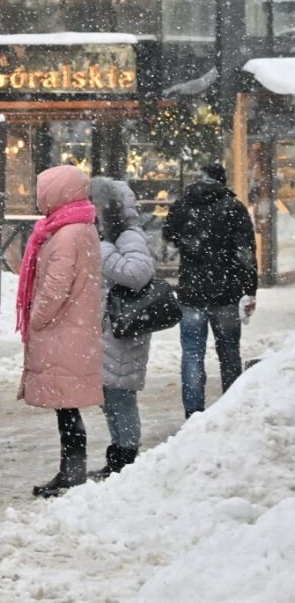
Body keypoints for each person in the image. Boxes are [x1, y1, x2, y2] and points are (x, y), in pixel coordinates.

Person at [15, 165, 102, 498]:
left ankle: (72, 472)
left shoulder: (67, 233)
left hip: (63, 329)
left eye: (43, 190)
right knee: (67, 407)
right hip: (72, 328)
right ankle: (71, 470)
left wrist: (36, 317)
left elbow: (56, 286)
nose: (39, 198)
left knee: (68, 408)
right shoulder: (77, 226)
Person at [162, 163, 257, 418]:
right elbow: (246, 253)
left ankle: (193, 412)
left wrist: (188, 245)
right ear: (223, 182)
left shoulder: (183, 206)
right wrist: (250, 290)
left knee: (192, 353)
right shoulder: (233, 208)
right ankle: (230, 408)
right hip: (227, 292)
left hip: (192, 292)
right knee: (228, 352)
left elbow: (168, 234)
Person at [88, 177, 156, 479]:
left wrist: (102, 252)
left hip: (125, 329)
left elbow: (137, 273)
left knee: (120, 393)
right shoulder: (111, 235)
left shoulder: (128, 235)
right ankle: (118, 452)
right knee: (108, 393)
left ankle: (126, 455)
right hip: (110, 328)